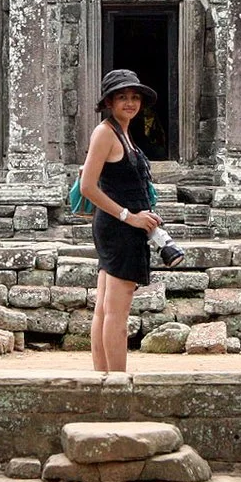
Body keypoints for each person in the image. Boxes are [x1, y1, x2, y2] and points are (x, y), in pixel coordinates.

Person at [81, 69, 162, 374]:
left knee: (105, 308)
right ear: (109, 102)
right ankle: (117, 383)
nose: (130, 102)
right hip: (119, 228)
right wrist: (130, 217)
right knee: (117, 311)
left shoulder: (123, 132)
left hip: (123, 226)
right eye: (122, 97)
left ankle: (104, 380)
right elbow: (89, 187)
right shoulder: (105, 132)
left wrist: (145, 215)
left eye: (134, 97)